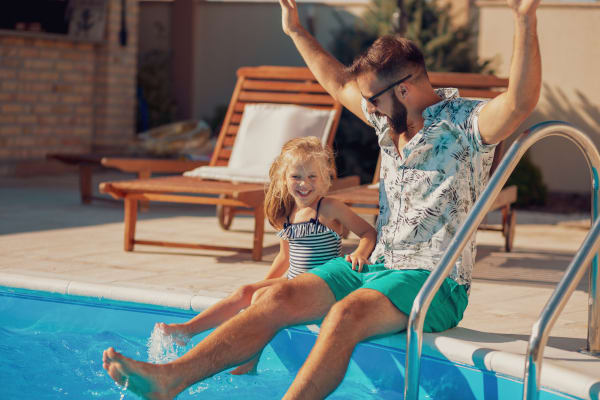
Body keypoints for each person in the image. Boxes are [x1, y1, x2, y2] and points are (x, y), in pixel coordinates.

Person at [103, 0, 542, 398]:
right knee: (271, 298)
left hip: (434, 281)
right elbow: (337, 84)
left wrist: (524, 19)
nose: (365, 107)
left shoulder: (467, 123)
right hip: (375, 266)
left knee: (345, 316)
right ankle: (170, 378)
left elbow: (520, 102)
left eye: (372, 98)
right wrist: (296, 31)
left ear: (404, 90)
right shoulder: (389, 120)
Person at [155, 136, 377, 375]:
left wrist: (360, 254)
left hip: (320, 284)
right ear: (284, 178)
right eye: (296, 176)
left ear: (324, 178)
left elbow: (368, 232)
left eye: (312, 176)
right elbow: (284, 258)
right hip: (293, 280)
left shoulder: (329, 208)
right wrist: (262, 285)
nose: (304, 183)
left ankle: (250, 358)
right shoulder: (287, 213)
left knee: (261, 297)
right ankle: (187, 330)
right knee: (246, 292)